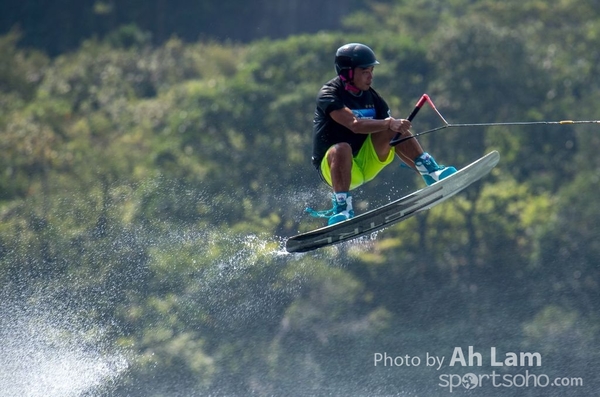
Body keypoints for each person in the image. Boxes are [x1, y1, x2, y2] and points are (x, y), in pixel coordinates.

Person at [309, 43, 456, 225]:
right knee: (342, 148)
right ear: (347, 72)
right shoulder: (329, 94)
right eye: (365, 72)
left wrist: (393, 125)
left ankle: (431, 172)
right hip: (333, 168)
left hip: (367, 162)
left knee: (392, 129)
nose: (370, 77)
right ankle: (343, 209)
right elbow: (354, 124)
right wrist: (389, 122)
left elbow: (391, 132)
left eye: (372, 71)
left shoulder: (373, 98)